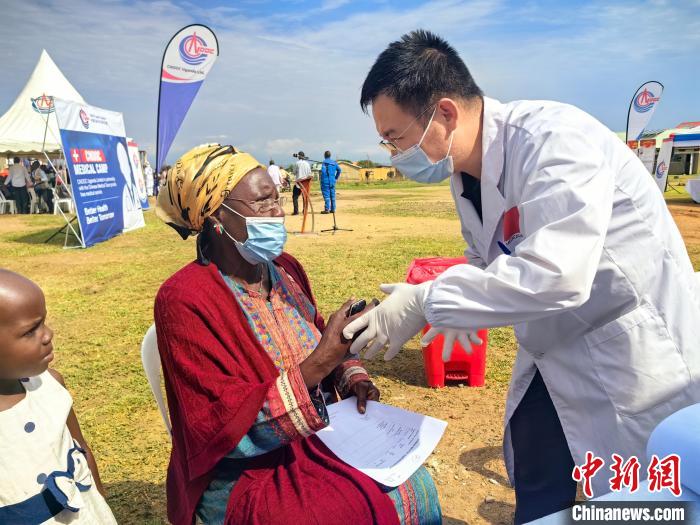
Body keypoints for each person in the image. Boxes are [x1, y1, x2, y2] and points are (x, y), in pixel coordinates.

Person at [343, 30, 700, 524]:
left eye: (396, 138)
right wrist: (448, 308)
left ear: (445, 113)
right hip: (552, 346)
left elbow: (557, 274)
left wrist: (429, 301)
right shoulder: (464, 176)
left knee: (639, 501)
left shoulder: (554, 142)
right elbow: (485, 261)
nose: (393, 154)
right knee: (538, 471)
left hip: (625, 349)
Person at [154, 144, 440, 525]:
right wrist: (319, 363)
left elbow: (319, 335)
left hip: (323, 434)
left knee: (415, 485)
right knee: (336, 513)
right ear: (217, 216)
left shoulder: (286, 269)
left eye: (277, 198)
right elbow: (217, 428)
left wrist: (352, 376)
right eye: (262, 202)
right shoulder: (184, 299)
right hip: (245, 470)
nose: (278, 212)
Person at [0, 269, 117, 524]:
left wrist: (101, 500)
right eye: (30, 331)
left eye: (43, 322)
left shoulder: (51, 385)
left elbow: (81, 449)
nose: (48, 334)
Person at [292, 151, 312, 216]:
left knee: (295, 197)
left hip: (299, 183)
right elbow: (309, 174)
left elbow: (294, 172)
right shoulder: (307, 164)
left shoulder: (297, 163)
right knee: (305, 197)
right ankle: (304, 211)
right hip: (305, 183)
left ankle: (296, 211)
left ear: (298, 156)